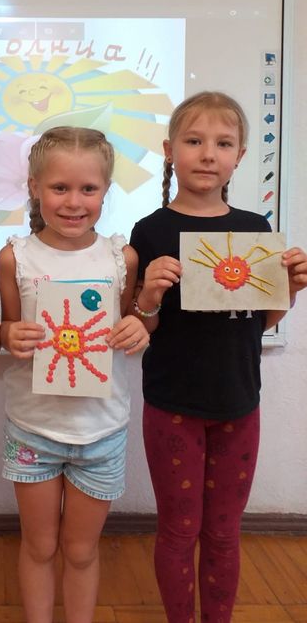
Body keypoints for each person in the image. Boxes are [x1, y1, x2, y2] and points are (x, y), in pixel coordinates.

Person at [129, 91, 307, 623]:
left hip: (239, 403)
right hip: (172, 404)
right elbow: (142, 326)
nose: (208, 153)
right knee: (179, 530)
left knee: (225, 533)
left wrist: (292, 290)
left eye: (223, 143)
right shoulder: (150, 230)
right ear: (169, 150)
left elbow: (260, 321)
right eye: (194, 140)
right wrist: (148, 294)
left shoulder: (255, 230)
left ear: (240, 156)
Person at [0, 126, 149, 623]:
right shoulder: (15, 256)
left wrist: (138, 326)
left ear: (106, 191)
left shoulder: (121, 258)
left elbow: (131, 324)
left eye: (88, 188)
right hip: (33, 428)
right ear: (34, 186)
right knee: (39, 546)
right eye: (59, 187)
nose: (73, 201)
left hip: (101, 430)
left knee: (82, 551)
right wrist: (10, 335)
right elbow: (6, 329)